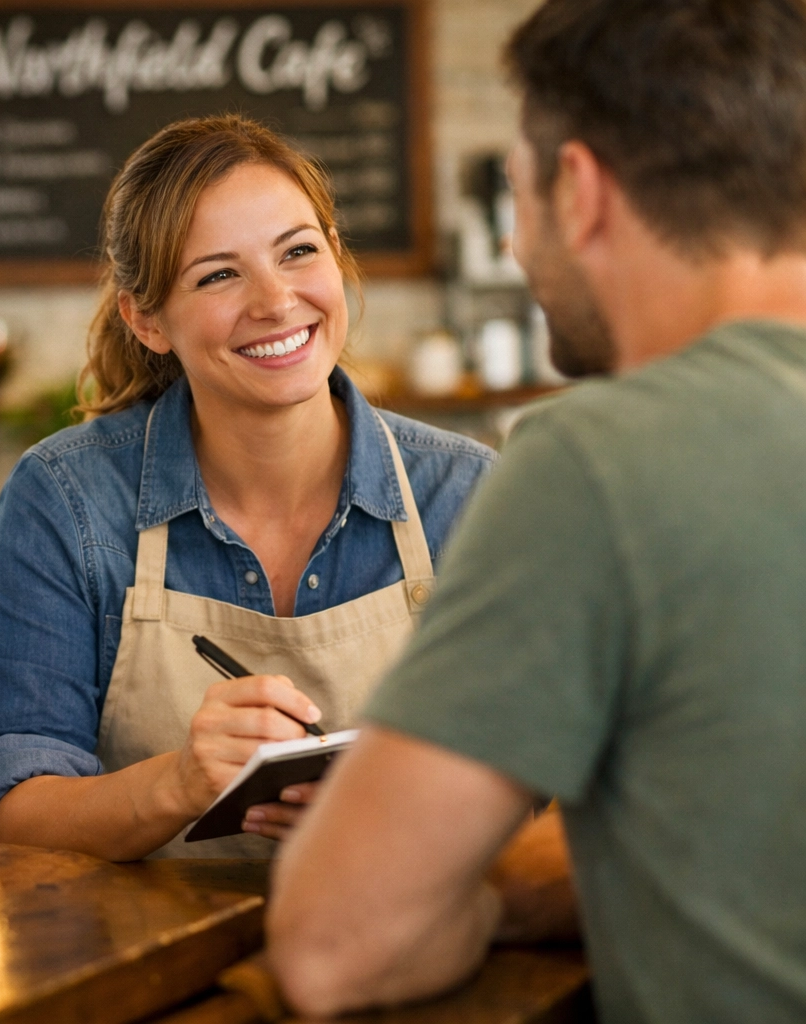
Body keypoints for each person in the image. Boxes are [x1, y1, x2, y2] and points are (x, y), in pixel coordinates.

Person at [264, 0, 806, 1020]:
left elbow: (334, 945)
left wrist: (484, 900)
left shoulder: (602, 457)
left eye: (519, 197)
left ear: (581, 191)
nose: (518, 245)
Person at [0, 114, 496, 861]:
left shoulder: (469, 493)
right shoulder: (66, 499)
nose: (275, 302)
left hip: (410, 947)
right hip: (147, 963)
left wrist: (396, 815)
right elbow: (9, 810)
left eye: (298, 253)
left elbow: (553, 784)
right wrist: (177, 783)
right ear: (145, 319)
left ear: (335, 258)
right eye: (217, 274)